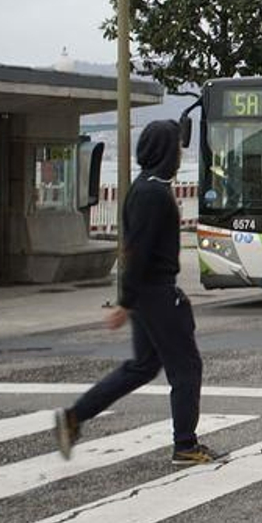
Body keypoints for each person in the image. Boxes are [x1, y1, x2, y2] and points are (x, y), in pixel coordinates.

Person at [53, 120, 220, 466]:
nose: (179, 153)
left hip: (148, 294)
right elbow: (138, 251)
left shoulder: (144, 186)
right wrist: (125, 301)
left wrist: (131, 299)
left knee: (142, 366)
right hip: (157, 293)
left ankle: (74, 417)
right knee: (186, 368)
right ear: (164, 151)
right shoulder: (152, 193)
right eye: (176, 146)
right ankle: (185, 445)